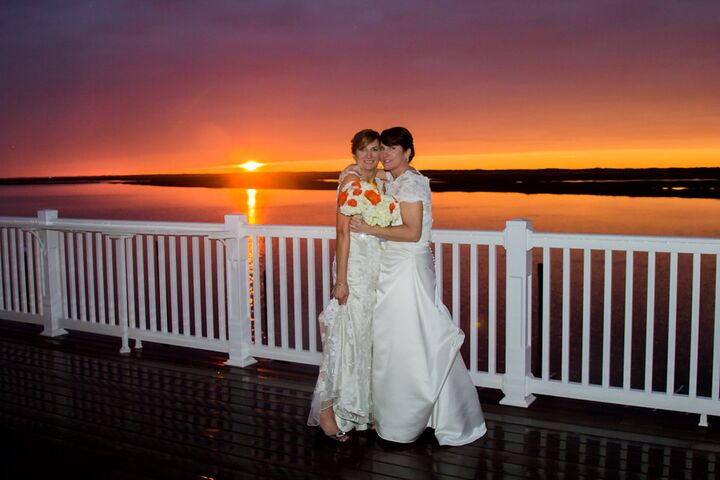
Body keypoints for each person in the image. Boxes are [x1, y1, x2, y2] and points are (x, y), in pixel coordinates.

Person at [350, 126, 487, 446]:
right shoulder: (396, 180)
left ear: (408, 152)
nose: (383, 155)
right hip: (396, 265)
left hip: (407, 266)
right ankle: (413, 413)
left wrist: (369, 227)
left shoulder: (410, 184)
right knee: (400, 338)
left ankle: (408, 419)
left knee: (410, 338)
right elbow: (368, 179)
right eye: (381, 149)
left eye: (391, 150)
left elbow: (412, 232)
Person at [307, 129, 386, 442]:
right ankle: (327, 411)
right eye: (364, 150)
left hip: (374, 268)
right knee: (345, 335)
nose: (370, 156)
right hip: (353, 268)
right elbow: (342, 232)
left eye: (376, 149)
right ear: (354, 153)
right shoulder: (350, 182)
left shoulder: (379, 182)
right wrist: (341, 280)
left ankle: (356, 408)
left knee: (365, 338)